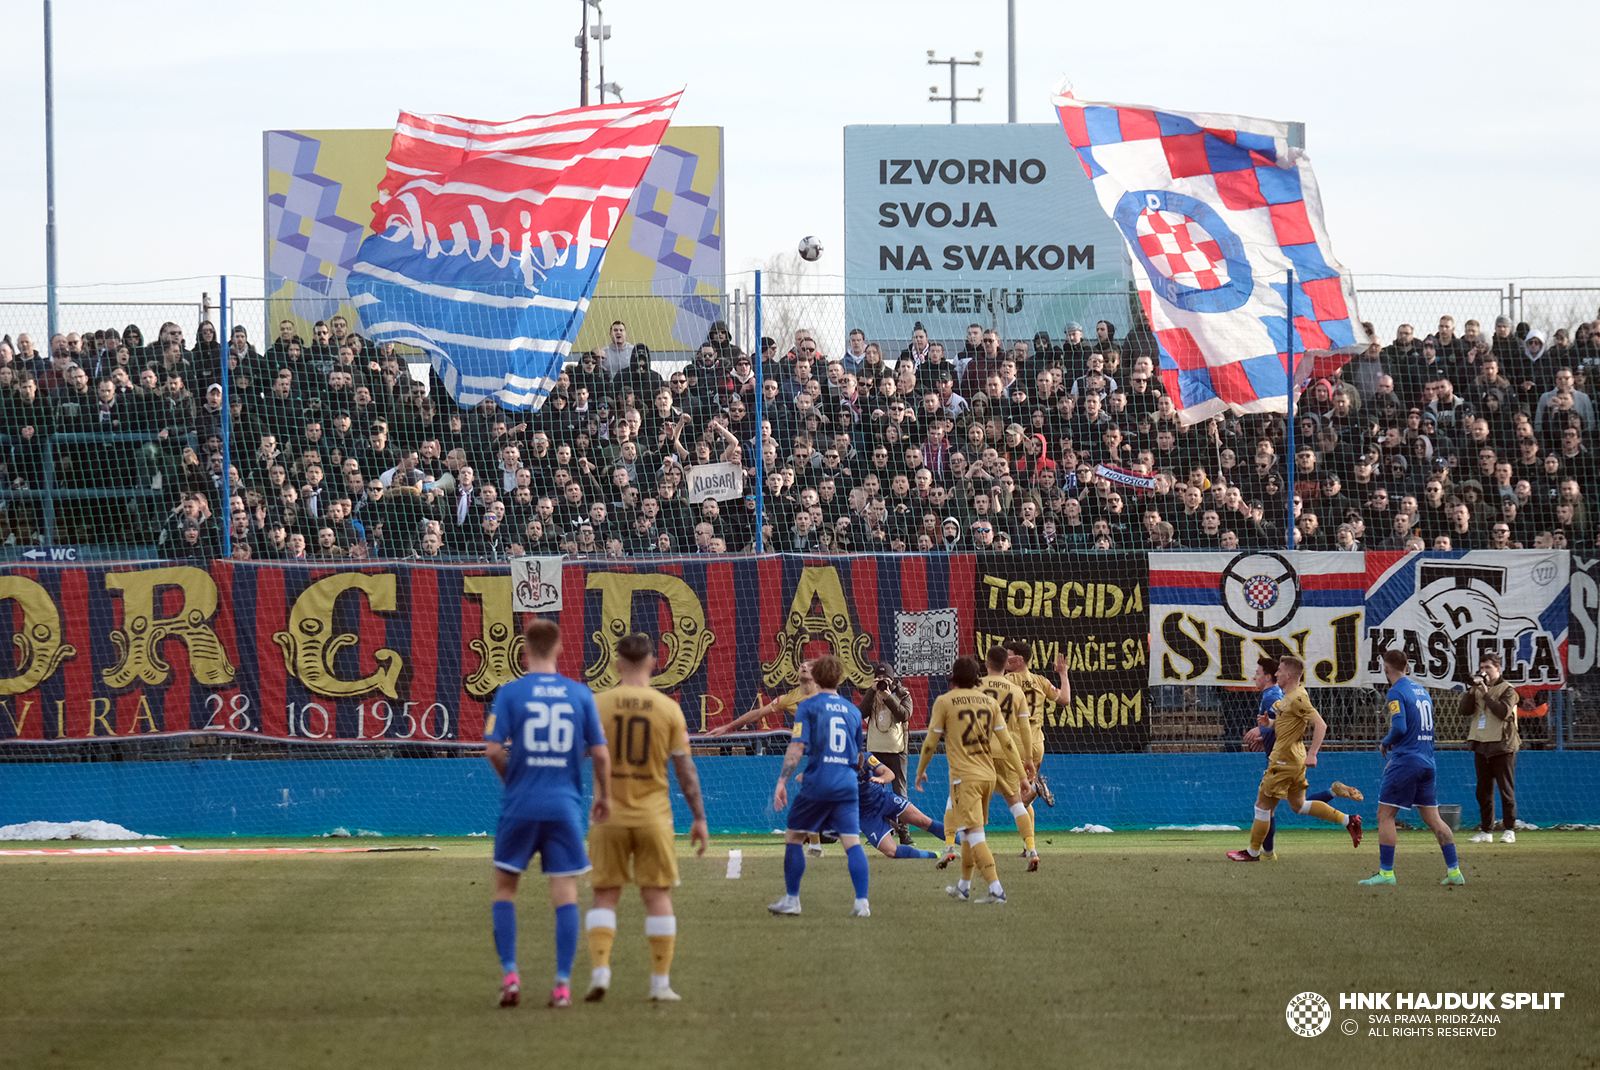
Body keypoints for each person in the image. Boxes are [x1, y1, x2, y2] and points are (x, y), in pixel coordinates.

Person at [484, 619, 612, 1010]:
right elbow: (602, 753)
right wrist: (604, 795)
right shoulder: (580, 694)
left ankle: (510, 975)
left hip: (520, 804)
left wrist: (513, 781)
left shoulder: (509, 692)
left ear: (525, 651)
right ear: (559, 649)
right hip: (564, 806)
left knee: (506, 890)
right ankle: (561, 984)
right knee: (565, 894)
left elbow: (492, 750)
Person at [584, 634, 709, 1003]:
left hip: (608, 814)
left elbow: (577, 755)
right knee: (657, 896)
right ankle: (660, 984)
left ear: (617, 663)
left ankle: (601, 971)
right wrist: (699, 817)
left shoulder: (597, 704)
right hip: (654, 817)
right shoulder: (668, 708)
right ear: (653, 662)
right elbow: (685, 769)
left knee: (604, 896)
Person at [1227, 655, 1362, 862]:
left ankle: (1253, 852)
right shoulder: (1288, 697)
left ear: (1288, 674)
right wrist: (1268, 725)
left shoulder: (1297, 698)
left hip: (1284, 760)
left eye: (1280, 670)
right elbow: (1286, 723)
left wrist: (1314, 753)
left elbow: (1321, 724)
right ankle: (1348, 820)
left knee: (1262, 806)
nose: (1277, 673)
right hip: (1294, 759)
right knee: (1299, 805)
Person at [767, 654, 873, 918]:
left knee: (793, 836)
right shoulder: (853, 711)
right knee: (851, 842)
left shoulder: (809, 706)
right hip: (847, 783)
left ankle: (792, 900)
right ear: (839, 678)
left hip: (819, 780)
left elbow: (797, 746)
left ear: (816, 678)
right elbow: (859, 755)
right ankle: (862, 903)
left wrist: (782, 781)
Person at [915, 656, 1023, 904]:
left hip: (965, 778)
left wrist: (920, 770)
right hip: (988, 776)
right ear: (976, 677)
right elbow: (1007, 742)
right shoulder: (989, 702)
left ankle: (996, 889)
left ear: (953, 677)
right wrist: (1021, 774)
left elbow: (931, 742)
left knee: (974, 835)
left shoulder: (944, 702)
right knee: (967, 832)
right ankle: (964, 886)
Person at [1359, 648, 1465, 886]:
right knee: (1435, 819)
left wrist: (1386, 744)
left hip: (1407, 761)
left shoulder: (1395, 691)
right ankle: (1454, 872)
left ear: (1386, 669)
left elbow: (1400, 728)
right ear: (1407, 666)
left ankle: (1386, 874)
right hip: (1427, 761)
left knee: (1384, 815)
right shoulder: (1422, 691)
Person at [709, 659, 827, 856]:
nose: (804, 667)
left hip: (836, 752)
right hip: (816, 755)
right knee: (811, 797)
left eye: (809, 666)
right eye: (801, 666)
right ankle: (816, 846)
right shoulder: (789, 698)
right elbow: (757, 713)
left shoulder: (827, 694)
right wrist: (728, 727)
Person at [977, 646, 1041, 871]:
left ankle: (967, 848)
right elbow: (1025, 728)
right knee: (1016, 803)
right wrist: (1028, 759)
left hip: (979, 753)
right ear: (1006, 665)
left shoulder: (976, 687)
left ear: (986, 663)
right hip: (1007, 751)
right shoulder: (1016, 691)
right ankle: (1031, 848)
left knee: (972, 803)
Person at [1461, 652, 1521, 844]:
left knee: (1506, 790)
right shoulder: (1477, 689)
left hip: (1502, 745)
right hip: (1481, 744)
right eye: (1482, 667)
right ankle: (1486, 830)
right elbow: (1464, 711)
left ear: (1498, 669)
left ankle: (1509, 829)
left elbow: (1503, 712)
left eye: (1488, 667)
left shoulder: (1508, 690)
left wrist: (1485, 693)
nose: (1484, 671)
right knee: (1483, 791)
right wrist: (1472, 690)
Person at [1004, 640, 1066, 808]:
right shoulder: (1041, 681)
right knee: (1024, 799)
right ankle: (1029, 834)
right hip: (1037, 743)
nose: (1005, 658)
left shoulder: (1008, 680)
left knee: (1015, 799)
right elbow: (1066, 699)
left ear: (1019, 659)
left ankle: (1036, 789)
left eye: (1008, 656)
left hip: (1016, 741)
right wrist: (1063, 674)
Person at [860, 661, 913, 841]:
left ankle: (904, 833)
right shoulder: (872, 694)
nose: (882, 681)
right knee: (875, 793)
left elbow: (904, 715)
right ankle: (882, 831)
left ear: (892, 679)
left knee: (900, 792)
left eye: (886, 678)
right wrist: (871, 691)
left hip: (897, 750)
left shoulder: (902, 693)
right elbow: (860, 713)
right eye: (879, 678)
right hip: (875, 750)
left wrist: (889, 696)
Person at [858, 753, 946, 859]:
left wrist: (882, 778)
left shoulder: (866, 757)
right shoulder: (836, 772)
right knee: (891, 851)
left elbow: (889, 773)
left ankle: (966, 844)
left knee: (924, 821)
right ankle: (937, 856)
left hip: (883, 799)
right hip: (865, 814)